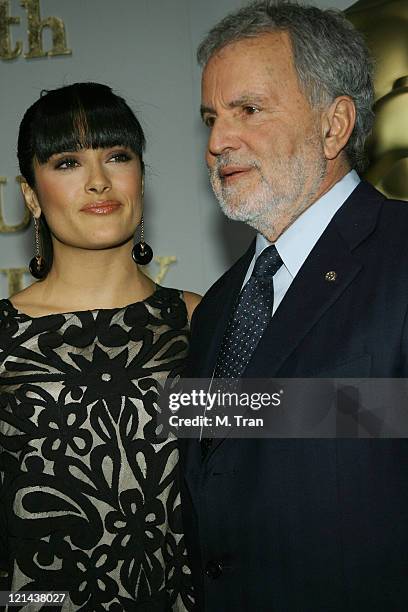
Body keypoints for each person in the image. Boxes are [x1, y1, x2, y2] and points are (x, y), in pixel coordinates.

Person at [179, 2, 408, 611]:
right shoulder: (219, 308)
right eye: (210, 118)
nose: (218, 142)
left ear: (334, 126)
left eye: (247, 110)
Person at [0, 82, 199, 611]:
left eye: (117, 156)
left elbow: (289, 440)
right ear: (30, 195)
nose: (98, 181)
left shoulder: (202, 323)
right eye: (67, 162)